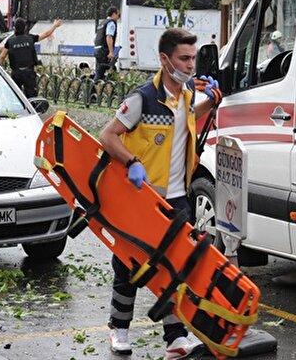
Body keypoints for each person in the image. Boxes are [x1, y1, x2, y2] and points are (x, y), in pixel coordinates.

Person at [98, 28, 222, 360]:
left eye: (193, 58)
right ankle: (119, 329)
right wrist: (132, 161)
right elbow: (108, 136)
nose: (190, 65)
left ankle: (175, 338)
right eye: (184, 58)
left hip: (178, 197)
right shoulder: (142, 98)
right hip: (142, 198)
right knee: (129, 264)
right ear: (164, 60)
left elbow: (187, 121)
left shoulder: (187, 96)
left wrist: (212, 99)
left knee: (176, 266)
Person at [0, 17, 62, 98]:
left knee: (16, 96)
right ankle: (32, 109)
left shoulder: (10, 42)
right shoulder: (30, 38)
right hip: (29, 72)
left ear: (15, 28)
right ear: (25, 28)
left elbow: (2, 56)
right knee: (32, 96)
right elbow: (46, 34)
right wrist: (54, 25)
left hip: (16, 73)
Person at [93, 6, 120, 81]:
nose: (118, 17)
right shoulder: (111, 23)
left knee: (103, 71)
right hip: (103, 51)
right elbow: (109, 37)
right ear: (114, 14)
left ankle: (102, 89)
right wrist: (111, 52)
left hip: (97, 50)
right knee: (100, 73)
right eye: (118, 15)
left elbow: (95, 39)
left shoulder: (102, 23)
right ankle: (91, 91)